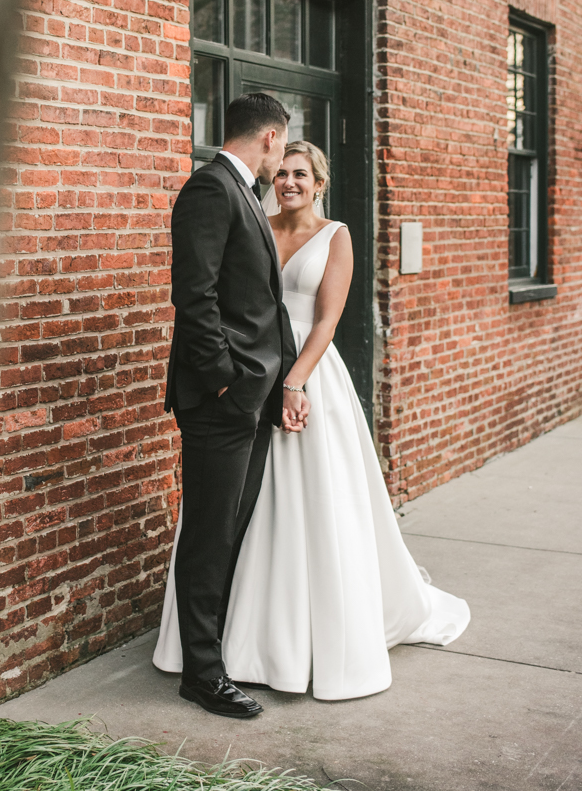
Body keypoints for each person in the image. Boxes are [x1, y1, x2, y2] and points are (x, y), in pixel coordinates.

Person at [155, 140, 470, 700]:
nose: (290, 183)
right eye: (284, 174)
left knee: (308, 508)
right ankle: (222, 635)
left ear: (319, 183)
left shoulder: (337, 237)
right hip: (249, 375)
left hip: (305, 374)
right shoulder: (254, 219)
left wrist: (294, 381)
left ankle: (298, 638)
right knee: (235, 508)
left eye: (302, 175)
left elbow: (325, 321)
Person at [163, 93, 308, 720]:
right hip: (221, 399)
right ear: (273, 137)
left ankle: (212, 653)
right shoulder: (210, 189)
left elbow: (260, 304)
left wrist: (273, 386)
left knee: (231, 531)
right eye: (285, 149)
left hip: (250, 396)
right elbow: (193, 298)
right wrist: (228, 381)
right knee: (210, 533)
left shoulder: (242, 190)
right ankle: (202, 673)